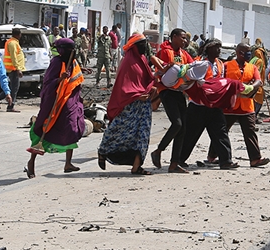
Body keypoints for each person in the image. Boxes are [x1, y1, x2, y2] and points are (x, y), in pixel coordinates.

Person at [98, 33, 159, 175]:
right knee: (117, 130)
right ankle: (103, 151)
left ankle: (137, 166)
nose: (145, 47)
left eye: (146, 44)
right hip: (130, 105)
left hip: (143, 107)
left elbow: (146, 80)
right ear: (135, 46)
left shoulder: (143, 60)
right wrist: (137, 95)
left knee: (142, 134)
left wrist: (151, 89)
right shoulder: (128, 62)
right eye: (142, 44)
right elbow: (124, 85)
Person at [25, 38, 85, 178]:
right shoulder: (56, 62)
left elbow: (75, 77)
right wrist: (59, 79)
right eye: (69, 50)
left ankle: (68, 163)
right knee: (45, 129)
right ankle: (31, 162)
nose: (72, 52)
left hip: (70, 101)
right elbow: (48, 82)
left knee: (72, 128)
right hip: (55, 102)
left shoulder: (73, 61)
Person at [178, 39, 240, 171]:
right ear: (208, 49)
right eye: (216, 47)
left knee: (221, 132)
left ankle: (226, 161)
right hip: (198, 105)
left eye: (220, 47)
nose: (219, 50)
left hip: (214, 105)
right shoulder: (200, 63)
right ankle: (179, 159)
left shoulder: (220, 64)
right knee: (190, 134)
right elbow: (187, 77)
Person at [213, 43, 269, 167]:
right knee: (222, 132)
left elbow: (258, 81)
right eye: (246, 51)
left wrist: (250, 87)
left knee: (250, 132)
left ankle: (255, 159)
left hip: (247, 105)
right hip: (229, 106)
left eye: (250, 51)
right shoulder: (227, 66)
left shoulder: (252, 67)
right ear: (239, 52)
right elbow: (220, 80)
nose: (249, 54)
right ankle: (212, 156)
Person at [151, 28, 194, 173]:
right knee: (177, 123)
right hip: (167, 91)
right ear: (174, 37)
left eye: (185, 38)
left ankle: (174, 163)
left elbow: (191, 66)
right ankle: (158, 150)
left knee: (183, 127)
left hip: (179, 91)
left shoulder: (183, 53)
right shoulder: (165, 51)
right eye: (182, 38)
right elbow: (160, 68)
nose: (185, 40)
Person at [2, 27, 24, 112]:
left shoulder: (13, 42)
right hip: (13, 68)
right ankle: (10, 106)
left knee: (12, 87)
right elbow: (13, 56)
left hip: (13, 68)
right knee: (14, 88)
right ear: (18, 35)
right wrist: (18, 69)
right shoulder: (12, 43)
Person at [248, 44, 267, 122]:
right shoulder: (259, 61)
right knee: (258, 100)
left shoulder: (253, 59)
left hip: (251, 82)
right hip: (257, 83)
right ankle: (253, 116)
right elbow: (257, 72)